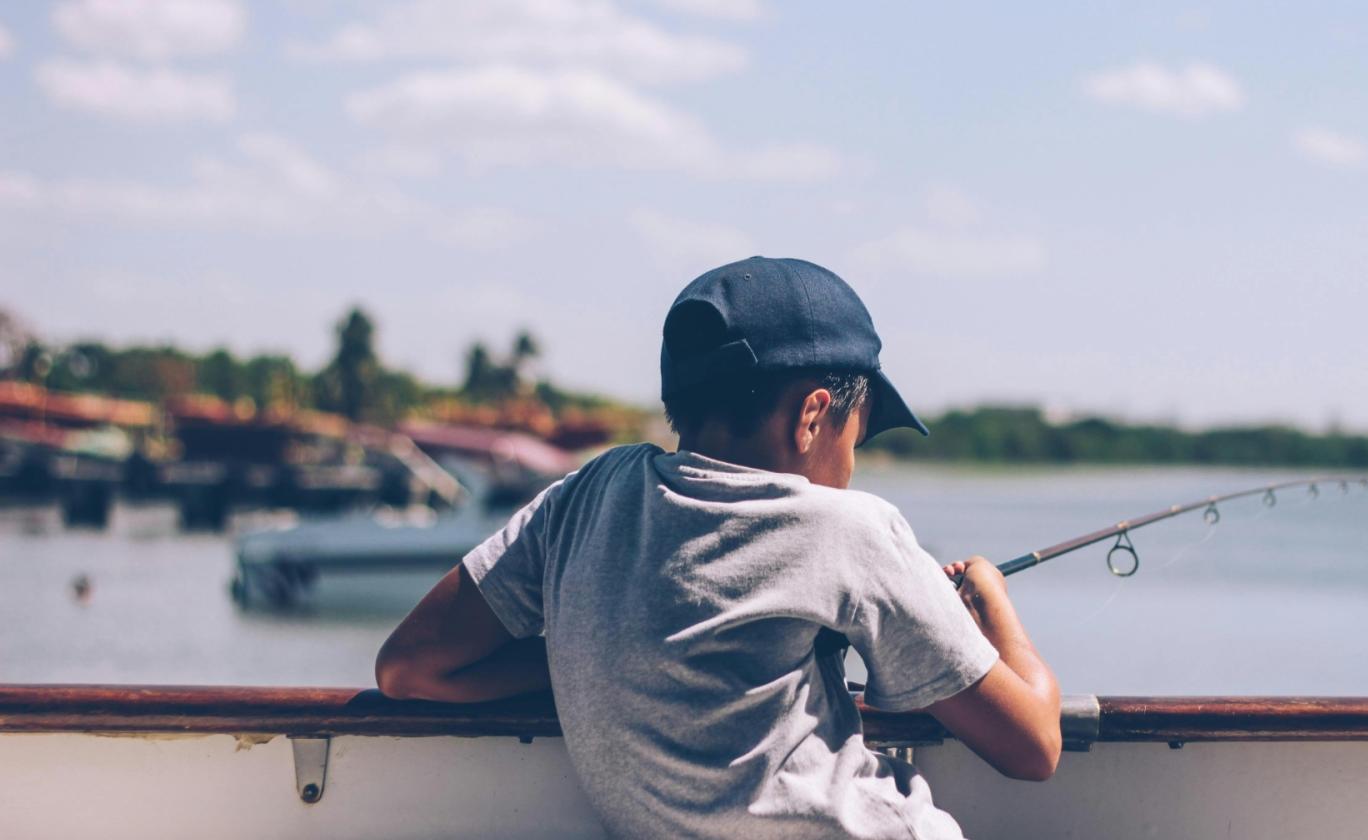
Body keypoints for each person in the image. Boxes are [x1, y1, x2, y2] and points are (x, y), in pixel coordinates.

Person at [375, 257, 1061, 838]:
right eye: (858, 435)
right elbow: (1033, 746)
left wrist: (600, 661)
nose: (853, 465)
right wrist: (991, 601)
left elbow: (410, 668)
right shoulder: (848, 527)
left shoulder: (585, 496)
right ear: (814, 415)